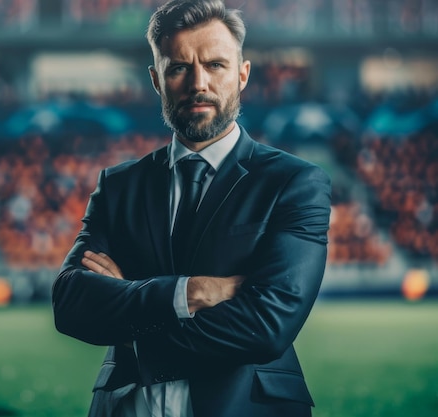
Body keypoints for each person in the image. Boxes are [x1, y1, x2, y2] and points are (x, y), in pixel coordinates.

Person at [51, 0, 331, 416]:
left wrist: (134, 326)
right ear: (156, 80)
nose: (198, 82)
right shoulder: (119, 185)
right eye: (179, 67)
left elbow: (267, 325)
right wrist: (190, 293)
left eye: (216, 65)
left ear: (242, 74)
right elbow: (72, 303)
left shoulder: (294, 182)